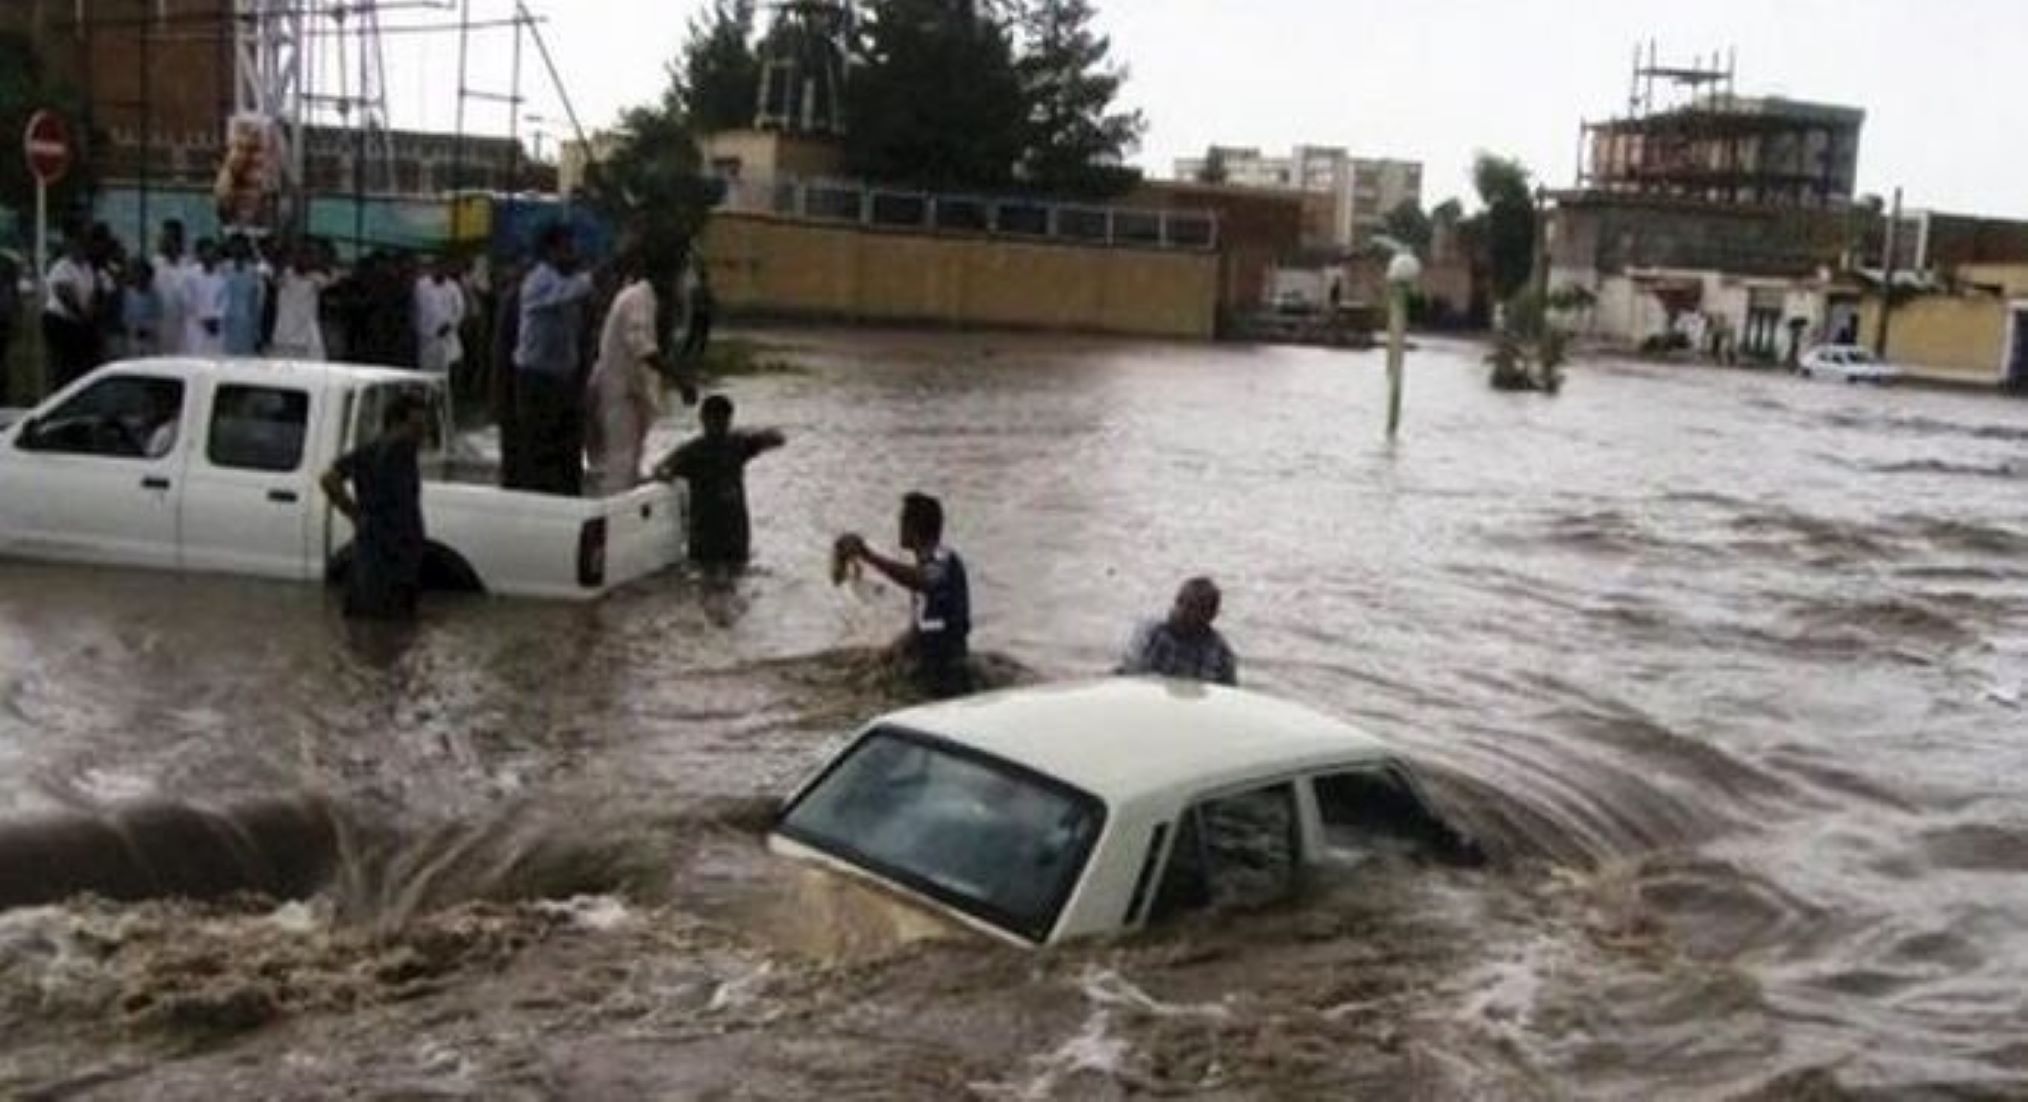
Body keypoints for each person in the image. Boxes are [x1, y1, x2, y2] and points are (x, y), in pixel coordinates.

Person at [836, 493, 972, 698]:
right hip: (929, 664)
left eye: (902, 521)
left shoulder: (942, 558)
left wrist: (869, 556)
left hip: (945, 672)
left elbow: (925, 581)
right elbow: (926, 624)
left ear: (913, 526)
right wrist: (891, 651)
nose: (899, 527)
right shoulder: (927, 562)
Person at [319, 393, 430, 621]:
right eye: (416, 427)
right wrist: (354, 514)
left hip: (402, 558)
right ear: (395, 424)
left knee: (395, 634)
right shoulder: (374, 453)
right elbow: (329, 478)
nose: (422, 434)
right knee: (375, 629)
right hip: (378, 558)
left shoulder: (406, 455)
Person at [512, 224, 596, 495]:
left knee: (568, 448)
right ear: (551, 251)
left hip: (563, 379)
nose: (573, 253)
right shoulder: (540, 280)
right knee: (541, 448)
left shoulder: (566, 281)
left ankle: (567, 497)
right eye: (567, 248)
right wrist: (600, 272)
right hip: (537, 380)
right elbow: (571, 291)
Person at [651, 395, 785, 564]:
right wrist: (666, 473)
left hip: (727, 531)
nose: (718, 427)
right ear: (704, 420)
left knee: (719, 576)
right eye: (715, 421)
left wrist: (761, 436)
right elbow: (661, 469)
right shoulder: (697, 451)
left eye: (721, 421)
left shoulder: (735, 444)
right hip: (711, 531)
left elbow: (777, 439)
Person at [1117, 576, 1238, 686]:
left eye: (1200, 609)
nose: (1190, 614)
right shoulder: (1150, 633)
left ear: (1212, 615)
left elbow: (1227, 696)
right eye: (1185, 605)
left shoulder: (1221, 653)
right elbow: (1131, 675)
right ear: (1176, 602)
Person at [40, 232, 98, 390]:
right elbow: (64, 295)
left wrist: (89, 315)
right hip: (59, 319)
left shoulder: (87, 267)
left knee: (79, 364)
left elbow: (91, 293)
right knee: (63, 364)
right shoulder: (61, 267)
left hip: (78, 321)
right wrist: (82, 316)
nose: (80, 250)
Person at [270, 243, 331, 360]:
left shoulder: (316, 278)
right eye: (303, 257)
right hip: (285, 333)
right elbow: (275, 279)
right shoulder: (286, 276)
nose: (306, 260)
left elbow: (329, 280)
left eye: (309, 257)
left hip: (306, 336)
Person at [414, 256, 466, 380]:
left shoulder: (453, 287)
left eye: (444, 268)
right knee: (426, 372)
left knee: (446, 371)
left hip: (446, 336)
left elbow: (460, 309)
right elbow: (416, 309)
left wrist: (450, 324)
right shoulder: (421, 285)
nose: (440, 271)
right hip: (426, 338)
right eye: (438, 268)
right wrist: (420, 329)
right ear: (433, 268)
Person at [151, 220, 193, 355]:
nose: (162, 240)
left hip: (185, 327)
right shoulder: (155, 264)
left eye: (167, 237)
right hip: (161, 325)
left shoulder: (190, 265)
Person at [220, 235, 267, 356]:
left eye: (241, 247)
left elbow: (258, 303)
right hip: (225, 323)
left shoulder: (254, 272)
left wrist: (258, 332)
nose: (238, 250)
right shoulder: (222, 269)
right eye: (235, 246)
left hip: (247, 324)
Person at [182, 239, 229, 356]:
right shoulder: (190, 275)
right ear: (199, 254)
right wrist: (204, 319)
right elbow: (188, 301)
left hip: (216, 326)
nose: (210, 255)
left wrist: (217, 317)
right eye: (206, 252)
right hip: (196, 326)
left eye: (213, 252)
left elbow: (225, 300)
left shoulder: (222, 276)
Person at [120, 261, 163, 359]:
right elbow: (126, 318)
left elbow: (157, 318)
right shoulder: (128, 294)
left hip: (150, 341)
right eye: (138, 275)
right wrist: (134, 329)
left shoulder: (155, 296)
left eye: (144, 276)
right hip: (133, 340)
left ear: (150, 278)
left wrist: (146, 329)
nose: (140, 279)